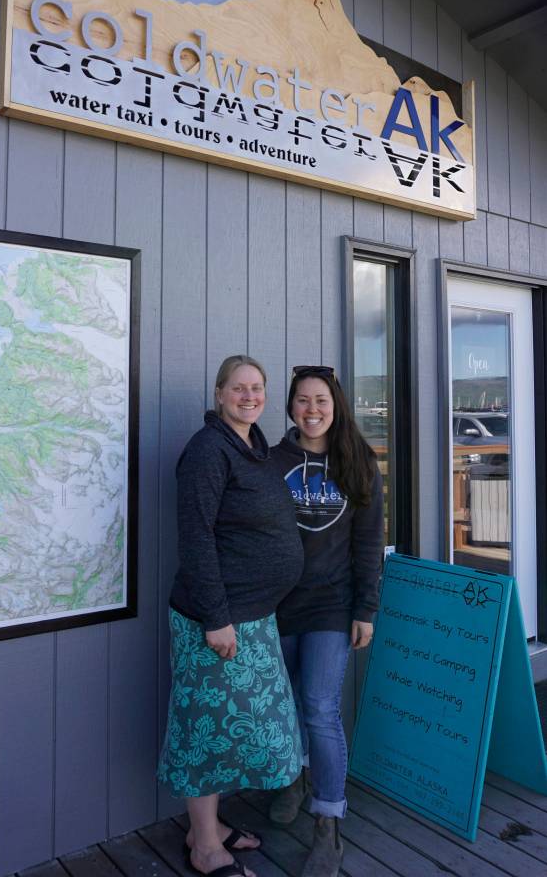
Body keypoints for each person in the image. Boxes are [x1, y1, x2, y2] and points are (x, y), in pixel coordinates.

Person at [157, 355, 305, 877]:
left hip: (253, 616)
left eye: (257, 388)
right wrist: (215, 619)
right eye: (239, 388)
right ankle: (203, 845)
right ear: (219, 394)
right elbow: (196, 539)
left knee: (239, 730)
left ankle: (212, 826)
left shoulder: (254, 448)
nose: (250, 396)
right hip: (214, 619)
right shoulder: (207, 451)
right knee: (206, 731)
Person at [268, 365, 384, 877]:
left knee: (319, 707)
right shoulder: (270, 461)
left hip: (331, 606)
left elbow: (368, 542)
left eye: (322, 401)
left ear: (336, 407)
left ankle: (327, 823)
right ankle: (293, 778)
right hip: (275, 603)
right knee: (282, 702)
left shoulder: (357, 462)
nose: (311, 410)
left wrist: (366, 609)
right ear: (290, 407)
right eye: (302, 401)